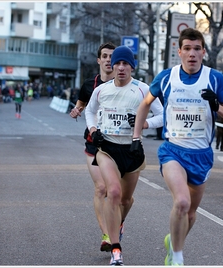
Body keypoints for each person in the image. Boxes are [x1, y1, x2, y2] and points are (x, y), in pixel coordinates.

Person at [132, 28, 223, 266]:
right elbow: (144, 105)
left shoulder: (215, 78)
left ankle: (174, 241)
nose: (192, 54)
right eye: (187, 49)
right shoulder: (167, 77)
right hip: (173, 151)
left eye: (197, 49)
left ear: (203, 52)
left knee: (190, 214)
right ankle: (177, 257)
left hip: (201, 155)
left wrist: (216, 106)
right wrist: (136, 138)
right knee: (181, 202)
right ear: (179, 52)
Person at [85, 45, 163, 266]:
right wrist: (93, 130)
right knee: (114, 193)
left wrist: (145, 123)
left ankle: (118, 224)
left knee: (126, 200)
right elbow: (90, 111)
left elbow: (163, 115)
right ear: (112, 65)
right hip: (107, 148)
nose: (120, 67)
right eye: (117, 63)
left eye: (125, 64)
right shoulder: (102, 90)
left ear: (132, 67)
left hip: (132, 149)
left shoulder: (142, 90)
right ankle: (116, 249)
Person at [69, 42, 116, 253]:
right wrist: (76, 111)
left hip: (117, 145)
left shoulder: (124, 84)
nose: (108, 60)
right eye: (104, 56)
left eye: (111, 57)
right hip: (93, 143)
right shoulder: (89, 85)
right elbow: (80, 105)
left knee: (122, 196)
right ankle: (106, 234)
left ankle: (118, 224)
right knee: (101, 188)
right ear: (99, 60)